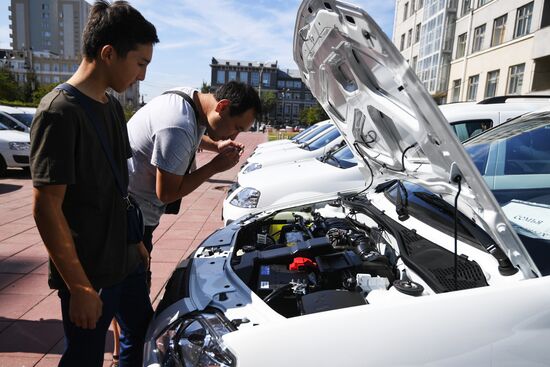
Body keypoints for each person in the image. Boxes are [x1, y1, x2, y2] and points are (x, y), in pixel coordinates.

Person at [29, 2, 159, 366]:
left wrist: (135, 242)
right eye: (140, 63)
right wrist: (80, 287)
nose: (142, 76)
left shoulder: (112, 106)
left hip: (125, 258)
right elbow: (46, 207)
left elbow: (119, 186)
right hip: (91, 271)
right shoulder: (59, 112)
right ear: (108, 53)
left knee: (143, 330)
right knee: (85, 357)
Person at [126, 81, 261, 280]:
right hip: (130, 221)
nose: (235, 135)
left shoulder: (188, 99)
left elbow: (189, 136)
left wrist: (217, 146)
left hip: (127, 209)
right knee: (132, 297)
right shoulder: (177, 125)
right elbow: (166, 193)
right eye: (236, 127)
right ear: (222, 106)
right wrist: (214, 167)